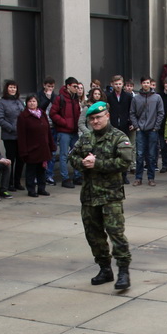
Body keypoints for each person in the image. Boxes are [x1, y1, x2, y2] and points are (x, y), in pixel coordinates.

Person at [68, 102, 133, 290]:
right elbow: (71, 157)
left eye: (99, 117)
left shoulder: (119, 138)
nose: (95, 121)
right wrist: (82, 162)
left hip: (110, 195)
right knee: (93, 235)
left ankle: (123, 271)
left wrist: (97, 164)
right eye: (92, 119)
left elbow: (124, 162)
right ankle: (105, 268)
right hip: (89, 196)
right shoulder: (86, 138)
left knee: (116, 234)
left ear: (107, 116)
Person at [130, 76, 165, 186]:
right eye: (144, 83)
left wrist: (156, 127)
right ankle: (138, 177)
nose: (146, 84)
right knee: (139, 154)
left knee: (151, 155)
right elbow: (132, 113)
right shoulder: (136, 98)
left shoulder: (157, 97)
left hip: (152, 130)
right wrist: (137, 126)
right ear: (141, 84)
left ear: (150, 84)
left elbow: (161, 113)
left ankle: (151, 178)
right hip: (141, 130)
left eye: (148, 83)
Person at [18, 94, 55, 196]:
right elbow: (21, 135)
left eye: (34, 101)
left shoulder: (42, 114)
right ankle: (31, 190)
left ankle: (41, 188)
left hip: (43, 147)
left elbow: (48, 131)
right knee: (31, 170)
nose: (32, 103)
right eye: (30, 101)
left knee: (42, 170)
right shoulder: (23, 116)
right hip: (31, 148)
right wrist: (24, 151)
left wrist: (51, 146)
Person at [49, 76, 82, 189]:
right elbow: (53, 114)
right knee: (64, 155)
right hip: (64, 131)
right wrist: (64, 122)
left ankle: (77, 176)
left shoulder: (75, 98)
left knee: (76, 153)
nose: (76, 89)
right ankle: (65, 178)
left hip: (74, 131)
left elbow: (77, 113)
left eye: (77, 87)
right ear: (68, 86)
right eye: (74, 86)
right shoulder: (60, 98)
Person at [0, 80, 24, 190]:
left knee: (21, 159)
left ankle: (18, 182)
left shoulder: (20, 101)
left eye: (14, 87)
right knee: (11, 159)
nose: (12, 89)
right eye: (10, 87)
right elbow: (0, 119)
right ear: (7, 89)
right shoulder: (2, 102)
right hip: (10, 136)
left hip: (21, 136)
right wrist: (11, 128)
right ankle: (9, 182)